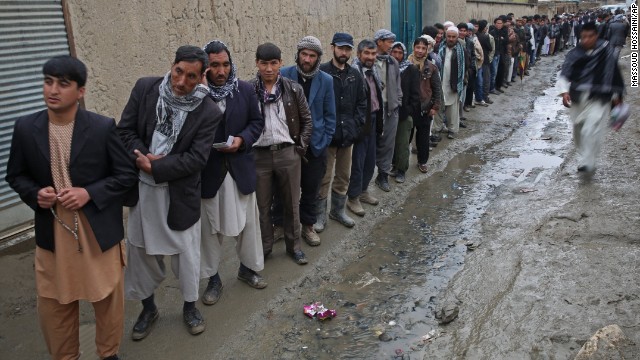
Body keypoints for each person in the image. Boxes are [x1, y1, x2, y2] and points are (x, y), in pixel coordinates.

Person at [5, 56, 137, 360]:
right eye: (48, 81)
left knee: (107, 299)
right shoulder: (26, 128)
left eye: (63, 84)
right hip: (53, 231)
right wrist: (36, 194)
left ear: (80, 91)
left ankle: (108, 353)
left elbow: (126, 175)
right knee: (54, 305)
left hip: (96, 230)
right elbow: (15, 175)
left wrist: (88, 193)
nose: (53, 90)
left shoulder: (102, 127)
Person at [118, 45, 221, 338]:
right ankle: (148, 308)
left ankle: (190, 306)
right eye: (178, 72)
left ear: (202, 77)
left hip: (179, 195)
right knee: (140, 253)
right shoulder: (145, 88)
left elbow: (197, 159)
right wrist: (142, 157)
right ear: (172, 65)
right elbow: (124, 131)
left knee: (186, 255)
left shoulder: (208, 111)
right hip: (142, 192)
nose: (181, 82)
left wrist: (157, 168)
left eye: (191, 77)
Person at [199, 40, 266, 307]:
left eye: (225, 64)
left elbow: (256, 122)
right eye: (214, 65)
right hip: (210, 173)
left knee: (248, 225)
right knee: (209, 231)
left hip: (239, 168)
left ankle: (248, 268)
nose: (221, 70)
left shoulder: (246, 90)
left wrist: (242, 140)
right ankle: (213, 279)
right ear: (205, 67)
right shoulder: (196, 94)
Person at [251, 43, 312, 264]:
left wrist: (300, 148)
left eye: (273, 63)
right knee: (262, 206)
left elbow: (307, 121)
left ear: (281, 64)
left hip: (288, 153)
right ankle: (265, 248)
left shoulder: (293, 89)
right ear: (257, 63)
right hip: (259, 157)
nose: (269, 68)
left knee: (291, 204)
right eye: (264, 63)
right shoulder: (248, 91)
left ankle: (294, 247)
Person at [277, 36, 336, 246]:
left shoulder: (326, 80)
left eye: (312, 55)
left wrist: (323, 142)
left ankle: (308, 226)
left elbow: (330, 116)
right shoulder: (284, 75)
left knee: (311, 188)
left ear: (318, 58)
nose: (307, 59)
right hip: (289, 144)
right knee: (283, 188)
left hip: (315, 145)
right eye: (304, 54)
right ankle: (282, 226)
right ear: (298, 54)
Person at [316, 32, 367, 232]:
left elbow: (361, 103)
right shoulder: (322, 73)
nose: (344, 52)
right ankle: (320, 216)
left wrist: (356, 125)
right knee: (324, 177)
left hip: (348, 136)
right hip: (327, 138)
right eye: (340, 48)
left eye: (347, 49)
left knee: (343, 176)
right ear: (333, 48)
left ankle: (337, 211)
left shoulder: (355, 75)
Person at [558, 22, 625, 173]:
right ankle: (585, 155)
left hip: (599, 98)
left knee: (591, 128)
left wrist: (616, 96)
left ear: (596, 36)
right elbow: (565, 72)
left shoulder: (606, 52)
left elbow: (613, 75)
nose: (586, 40)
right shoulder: (575, 53)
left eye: (590, 36)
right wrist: (564, 91)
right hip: (578, 97)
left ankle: (588, 161)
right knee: (578, 129)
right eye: (583, 37)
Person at [347, 39, 383, 216]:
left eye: (373, 53)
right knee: (359, 162)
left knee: (370, 160)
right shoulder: (354, 73)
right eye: (367, 53)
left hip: (374, 119)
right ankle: (353, 197)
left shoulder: (373, 71)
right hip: (362, 122)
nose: (370, 57)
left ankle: (363, 191)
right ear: (359, 54)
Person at [372, 29, 403, 192]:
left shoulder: (392, 62)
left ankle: (382, 175)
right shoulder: (368, 60)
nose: (391, 46)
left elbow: (398, 86)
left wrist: (397, 101)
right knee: (371, 144)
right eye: (389, 42)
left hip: (390, 109)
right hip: (372, 111)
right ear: (379, 42)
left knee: (388, 144)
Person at [409, 37, 442, 173]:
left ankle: (422, 162)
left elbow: (437, 89)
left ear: (427, 49)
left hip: (425, 108)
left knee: (423, 139)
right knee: (405, 138)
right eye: (418, 47)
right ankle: (399, 165)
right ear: (413, 48)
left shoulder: (431, 67)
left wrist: (434, 107)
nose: (420, 51)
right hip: (409, 108)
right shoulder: (406, 65)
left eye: (423, 48)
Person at [390, 42, 420, 183]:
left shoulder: (411, 69)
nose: (396, 55)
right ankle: (394, 166)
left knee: (402, 144)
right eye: (394, 52)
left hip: (403, 114)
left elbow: (415, 94)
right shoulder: (387, 67)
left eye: (400, 53)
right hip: (389, 114)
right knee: (391, 143)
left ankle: (402, 170)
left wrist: (408, 111)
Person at [438, 26, 465, 140]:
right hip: (440, 81)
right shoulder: (439, 48)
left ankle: (452, 130)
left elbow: (465, 66)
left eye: (453, 37)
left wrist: (461, 81)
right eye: (449, 36)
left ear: (457, 37)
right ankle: (437, 129)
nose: (451, 39)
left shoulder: (461, 50)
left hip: (454, 83)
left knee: (452, 109)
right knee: (438, 107)